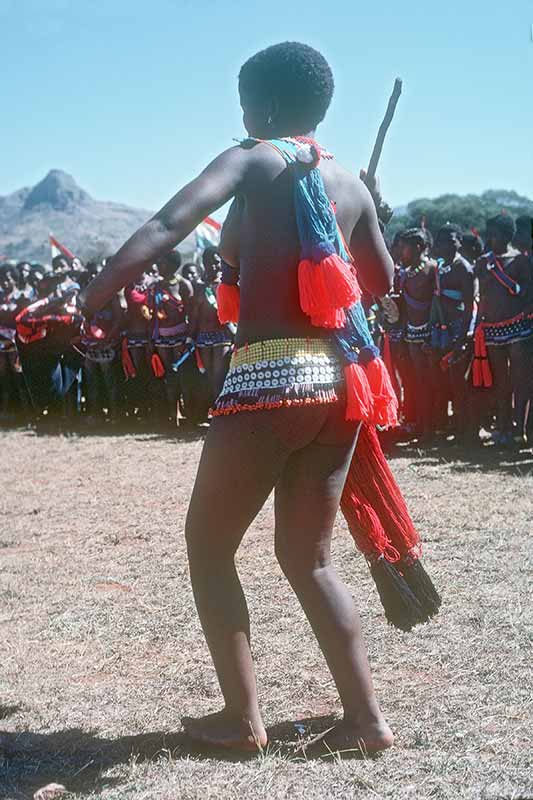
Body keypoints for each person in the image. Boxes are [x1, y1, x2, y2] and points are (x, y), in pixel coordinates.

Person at [79, 41, 441, 754]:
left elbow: (166, 225)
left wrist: (97, 293)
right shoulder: (347, 183)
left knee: (208, 549)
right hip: (340, 386)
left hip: (269, 380)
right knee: (308, 560)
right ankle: (366, 722)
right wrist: (363, 211)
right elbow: (379, 280)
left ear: (261, 105)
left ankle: (241, 722)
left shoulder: (250, 158)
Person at [473, 214, 533, 445]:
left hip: (518, 328)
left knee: (520, 381)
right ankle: (504, 429)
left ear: (508, 236)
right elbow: (482, 297)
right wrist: (479, 324)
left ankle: (519, 430)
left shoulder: (521, 261)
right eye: (490, 234)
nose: (491, 239)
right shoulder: (483, 262)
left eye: (496, 235)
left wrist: (525, 314)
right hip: (492, 330)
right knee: (501, 383)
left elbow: (528, 293)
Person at [430, 224, 474, 440]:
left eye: (451, 240)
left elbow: (469, 307)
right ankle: (448, 424)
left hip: (457, 329)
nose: (446, 245)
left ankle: (464, 429)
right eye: (442, 241)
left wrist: (463, 338)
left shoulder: (463, 268)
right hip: (440, 330)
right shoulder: (440, 267)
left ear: (459, 242)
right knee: (442, 380)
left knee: (458, 382)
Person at [396, 228, 437, 440]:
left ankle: (428, 427)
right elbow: (402, 307)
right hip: (410, 334)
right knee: (412, 381)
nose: (402, 251)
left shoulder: (432, 269)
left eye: (405, 247)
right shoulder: (405, 273)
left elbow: (437, 304)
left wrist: (433, 335)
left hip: (428, 334)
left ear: (419, 247)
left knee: (426, 381)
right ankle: (417, 423)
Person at [151, 251, 194, 427]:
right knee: (168, 376)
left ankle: (188, 414)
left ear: (171, 265)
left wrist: (190, 339)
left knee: (181, 375)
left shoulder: (184, 285)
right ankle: (173, 414)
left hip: (181, 337)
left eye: (161, 263)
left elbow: (192, 314)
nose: (158, 266)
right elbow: (153, 315)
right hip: (162, 337)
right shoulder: (157, 286)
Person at [189, 247, 234, 403]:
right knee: (209, 378)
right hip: (203, 337)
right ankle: (216, 411)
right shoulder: (200, 288)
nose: (214, 266)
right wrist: (190, 337)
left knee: (219, 376)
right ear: (204, 264)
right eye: (210, 263)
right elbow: (194, 315)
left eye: (216, 262)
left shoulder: (227, 285)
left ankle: (222, 411)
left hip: (222, 336)